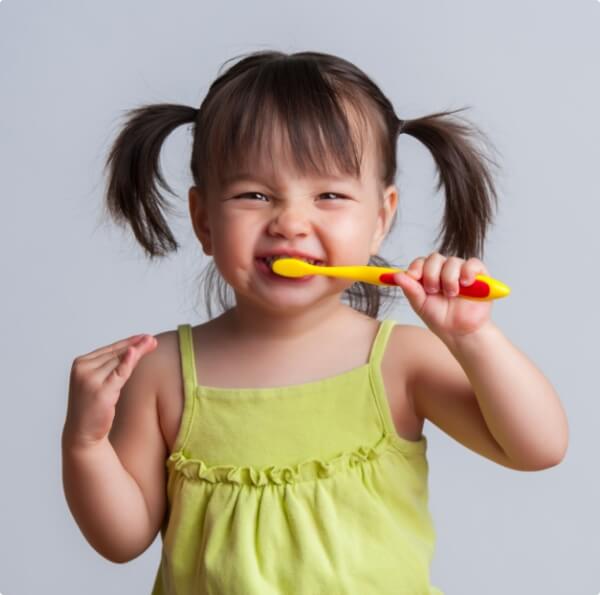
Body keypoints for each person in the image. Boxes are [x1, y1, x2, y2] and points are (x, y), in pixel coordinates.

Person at [61, 50, 569, 595]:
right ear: (204, 220)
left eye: (329, 195)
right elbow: (122, 540)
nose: (291, 222)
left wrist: (474, 338)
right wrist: (85, 444)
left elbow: (537, 448)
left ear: (379, 220)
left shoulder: (399, 362)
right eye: (254, 194)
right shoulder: (160, 372)